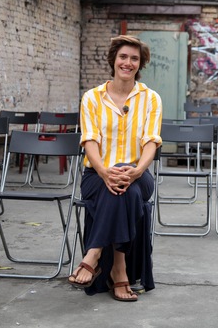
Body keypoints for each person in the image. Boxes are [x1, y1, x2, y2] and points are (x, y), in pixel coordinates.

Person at [68, 35, 162, 302]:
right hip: (96, 175)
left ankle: (93, 254)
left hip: (139, 175)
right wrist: (103, 171)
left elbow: (151, 141)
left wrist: (137, 170)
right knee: (125, 193)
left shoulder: (151, 99)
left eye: (134, 58)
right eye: (123, 57)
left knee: (127, 183)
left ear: (140, 64)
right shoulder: (92, 97)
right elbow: (90, 140)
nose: (128, 63)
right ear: (113, 60)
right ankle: (120, 271)